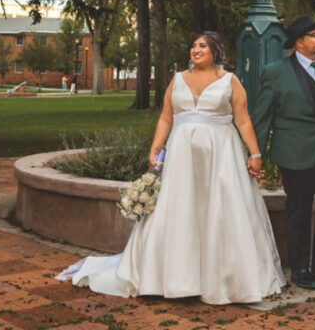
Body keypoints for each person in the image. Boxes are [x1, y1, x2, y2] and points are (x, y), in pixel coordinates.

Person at [57, 31, 284, 304]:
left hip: (222, 157)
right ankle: (172, 278)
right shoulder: (177, 80)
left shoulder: (230, 81)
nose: (196, 49)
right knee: (179, 209)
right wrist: (155, 147)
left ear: (215, 51)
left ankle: (227, 280)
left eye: (203, 46)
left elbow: (244, 120)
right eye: (193, 45)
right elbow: (166, 117)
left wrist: (255, 153)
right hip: (181, 157)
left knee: (222, 211)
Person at [250, 16, 315, 291]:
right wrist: (255, 153)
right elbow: (262, 117)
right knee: (297, 211)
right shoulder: (275, 72)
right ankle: (299, 269)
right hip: (295, 154)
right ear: (298, 42)